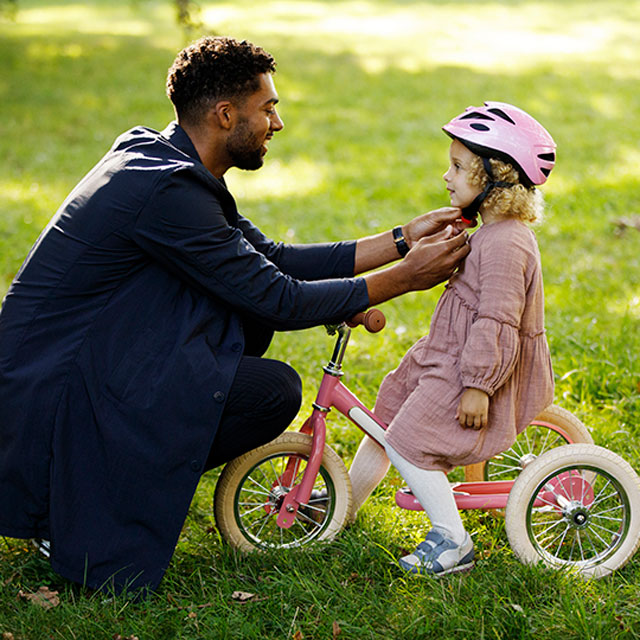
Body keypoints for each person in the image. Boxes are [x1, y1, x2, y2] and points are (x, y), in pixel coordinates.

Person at [0, 36, 470, 594]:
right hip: (54, 393)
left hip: (83, 364)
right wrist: (406, 278)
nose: (278, 122)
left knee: (252, 376)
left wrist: (400, 240)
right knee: (269, 391)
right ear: (226, 115)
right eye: (268, 107)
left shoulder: (167, 161)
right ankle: (76, 505)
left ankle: (81, 497)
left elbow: (270, 259)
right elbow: (277, 298)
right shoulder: (167, 189)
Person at [348, 101, 556, 576]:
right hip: (445, 354)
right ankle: (344, 507)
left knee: (406, 439)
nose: (447, 176)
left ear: (497, 178)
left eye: (459, 167)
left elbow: (499, 320)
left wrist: (479, 385)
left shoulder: (507, 241)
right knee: (387, 411)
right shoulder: (486, 232)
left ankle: (451, 539)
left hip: (475, 367)